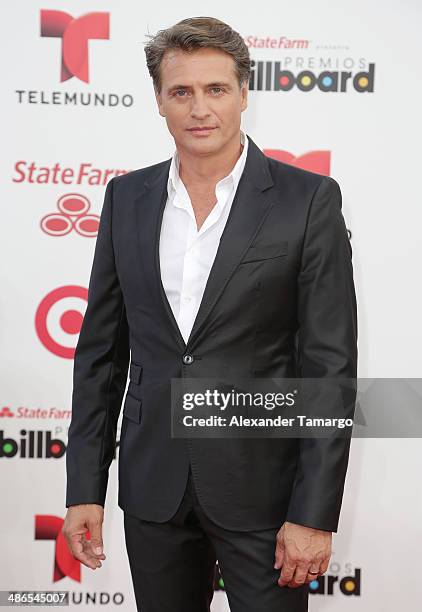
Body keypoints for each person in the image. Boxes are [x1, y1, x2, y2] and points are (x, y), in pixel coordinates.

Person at [62, 16, 358, 612]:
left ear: (244, 94)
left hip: (264, 493)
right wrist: (84, 488)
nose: (200, 109)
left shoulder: (308, 200)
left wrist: (313, 512)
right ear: (159, 102)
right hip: (153, 487)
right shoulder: (126, 198)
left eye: (216, 90)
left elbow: (328, 366)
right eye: (182, 92)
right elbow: (100, 353)